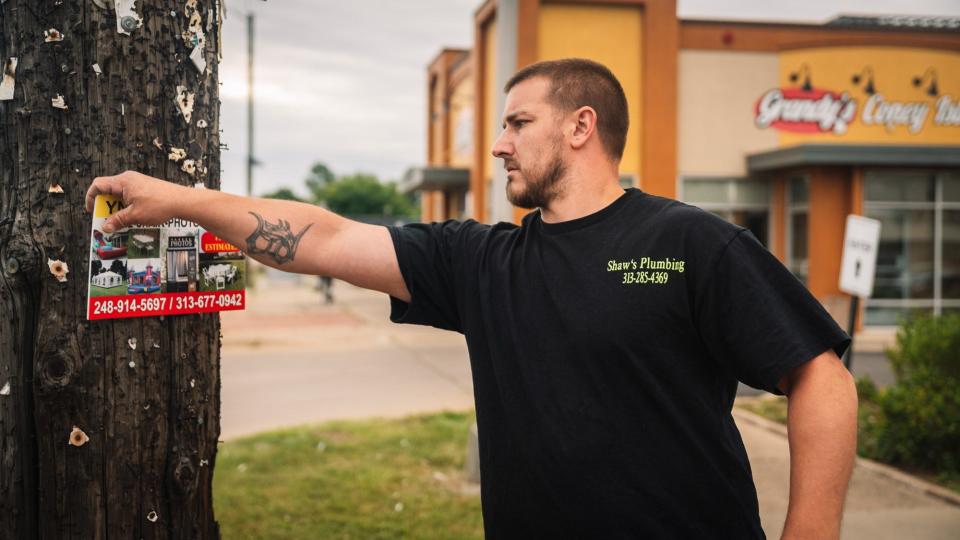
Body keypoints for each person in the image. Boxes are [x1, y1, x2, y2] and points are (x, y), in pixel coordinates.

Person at [86, 58, 857, 539]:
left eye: (518, 123)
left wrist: (811, 531)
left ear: (582, 126)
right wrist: (182, 198)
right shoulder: (480, 260)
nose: (499, 144)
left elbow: (820, 375)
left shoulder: (691, 242)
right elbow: (321, 237)